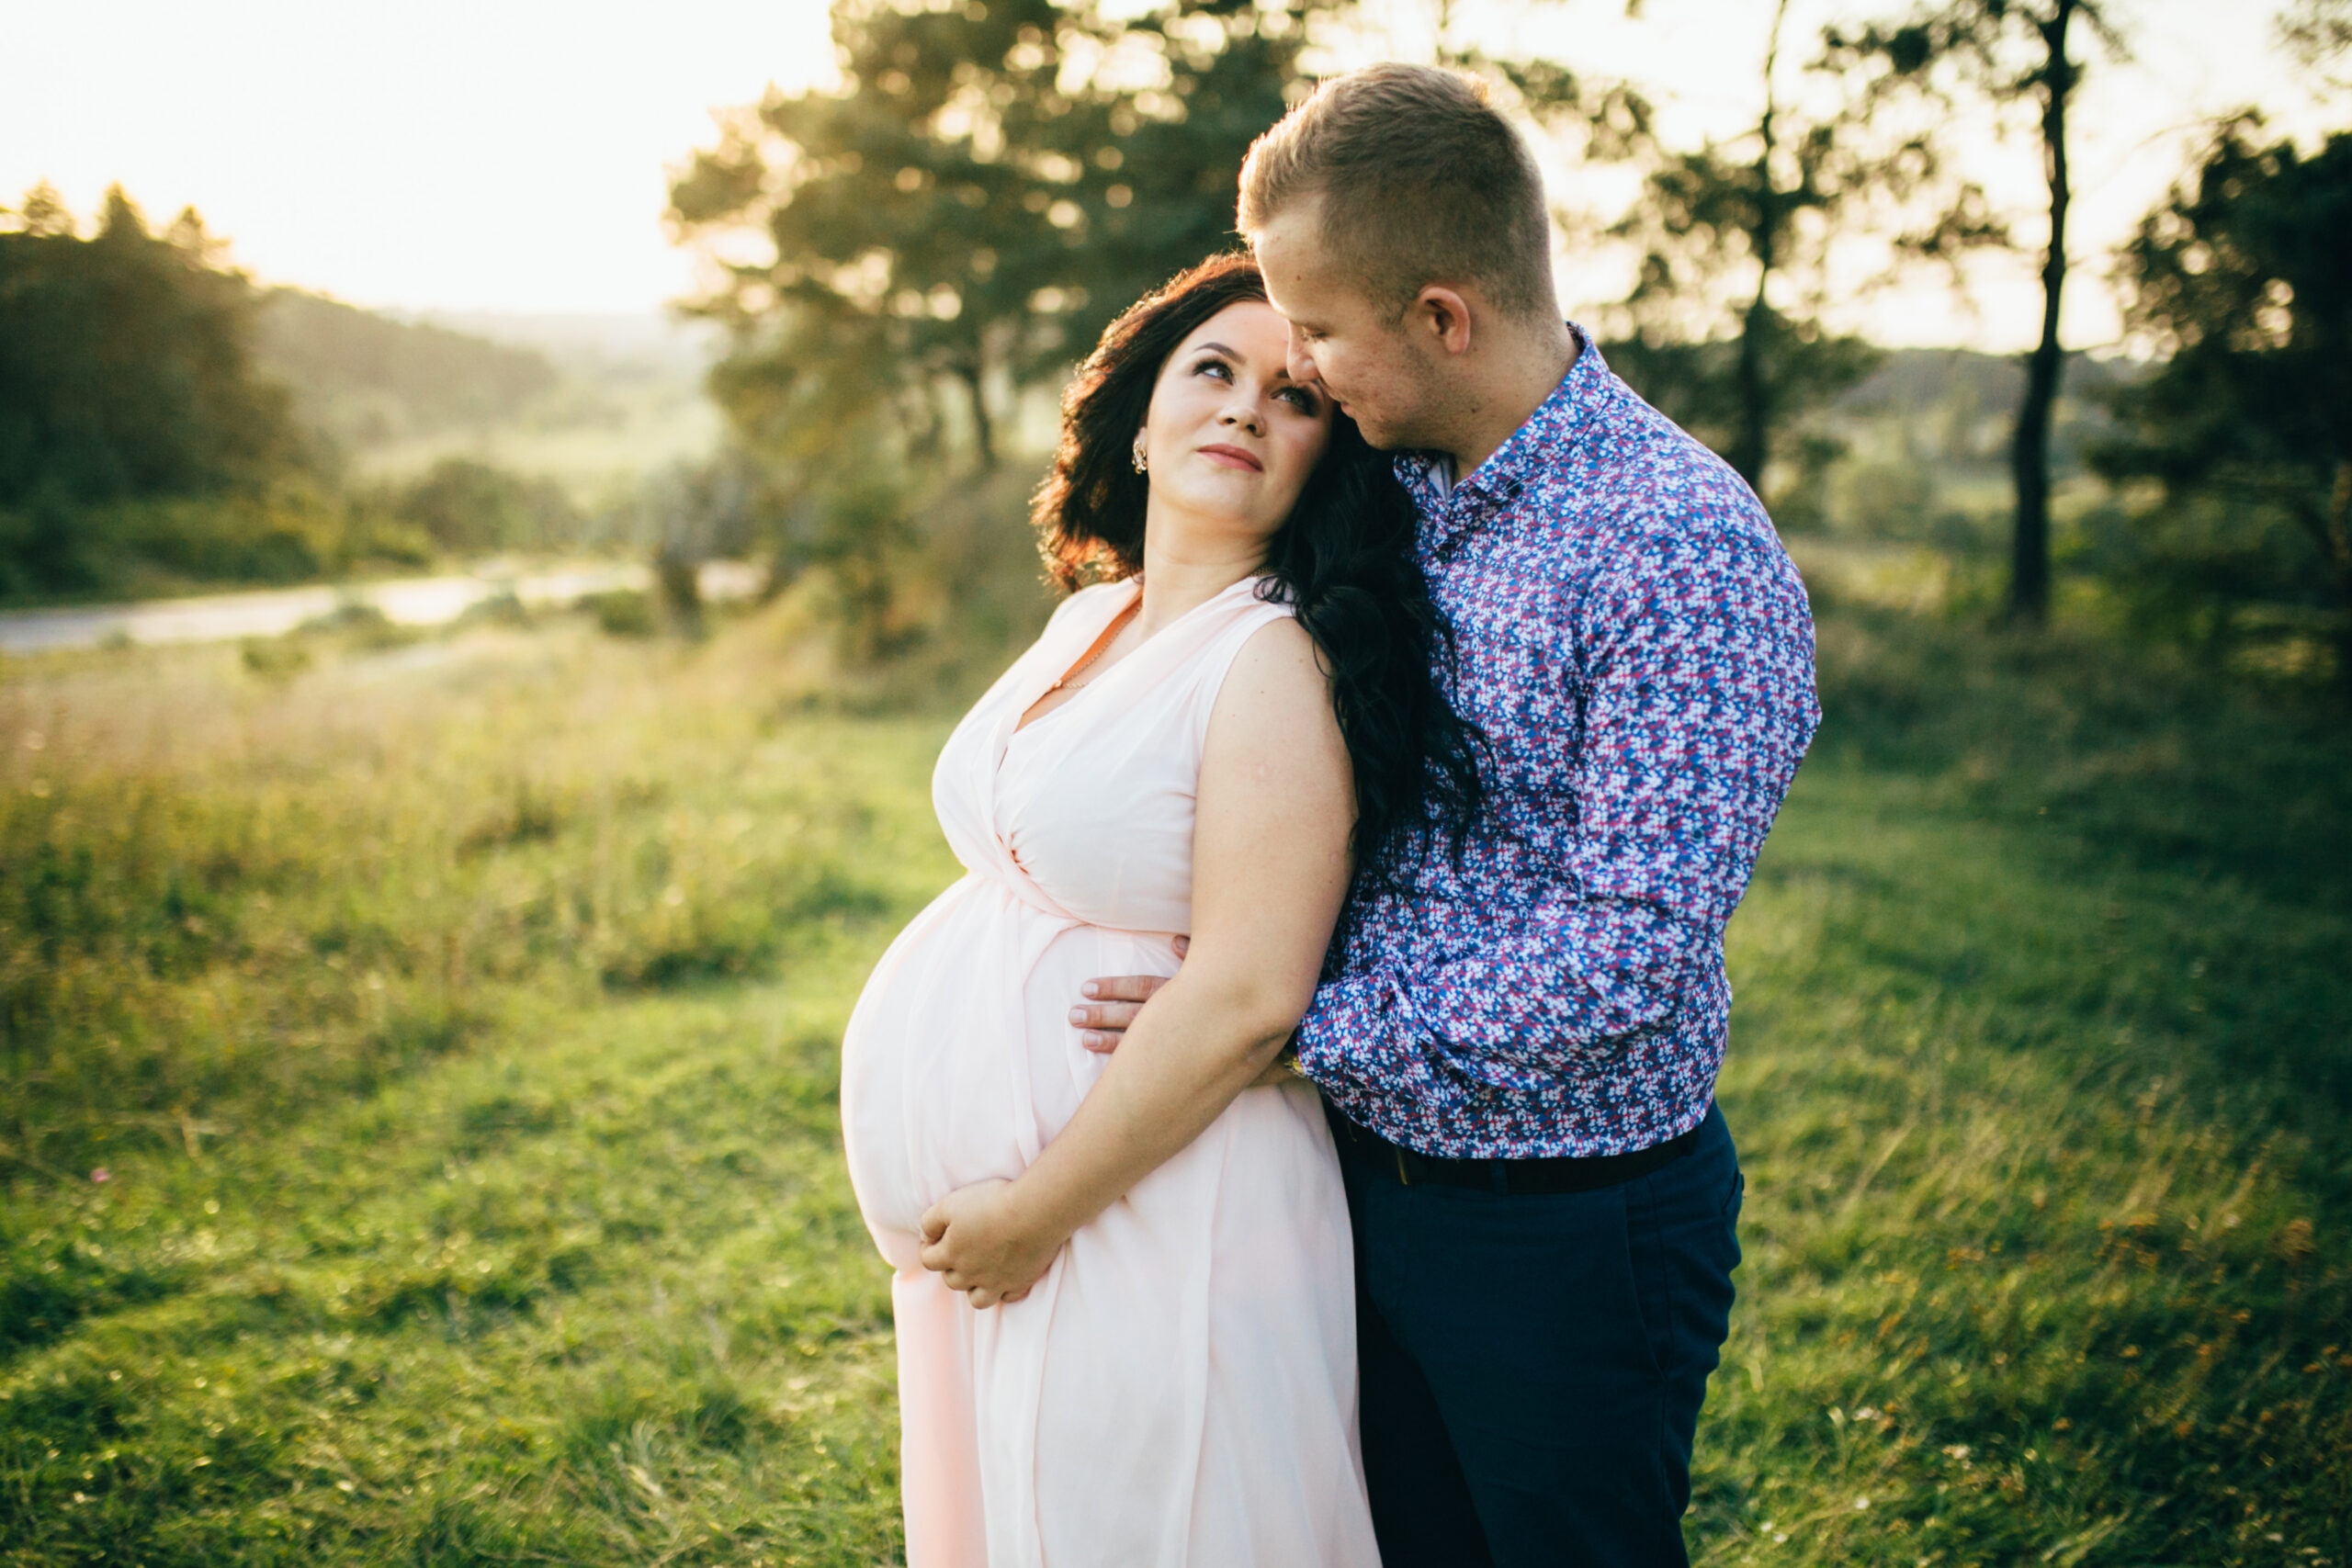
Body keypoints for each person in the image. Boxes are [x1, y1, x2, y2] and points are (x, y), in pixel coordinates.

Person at [1072, 66, 1824, 1567]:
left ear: (1442, 318)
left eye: (1323, 334)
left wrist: (1289, 1025)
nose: (1304, 366)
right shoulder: (1395, 483)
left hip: (1557, 1226)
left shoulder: (1681, 555)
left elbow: (1626, 962)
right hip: (1342, 1185)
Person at [839, 251, 1484, 1567]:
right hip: (1054, 1223)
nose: (1248, 409)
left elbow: (1251, 1000)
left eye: (1295, 397)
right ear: (1139, 424)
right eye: (1213, 371)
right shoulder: (1095, 613)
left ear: (1325, 456)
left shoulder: (1273, 660)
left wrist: (1036, 1212)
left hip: (1159, 1207)